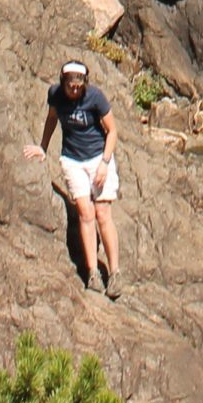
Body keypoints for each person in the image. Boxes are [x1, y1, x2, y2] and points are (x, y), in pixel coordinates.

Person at [26, 57, 121, 295]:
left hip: (99, 158)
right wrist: (42, 147)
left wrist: (104, 164)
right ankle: (92, 273)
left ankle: (115, 273)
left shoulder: (95, 97)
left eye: (79, 85)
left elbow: (112, 131)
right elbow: (52, 119)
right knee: (85, 213)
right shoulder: (55, 94)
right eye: (71, 85)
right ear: (64, 82)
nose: (75, 89)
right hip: (72, 160)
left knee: (102, 214)